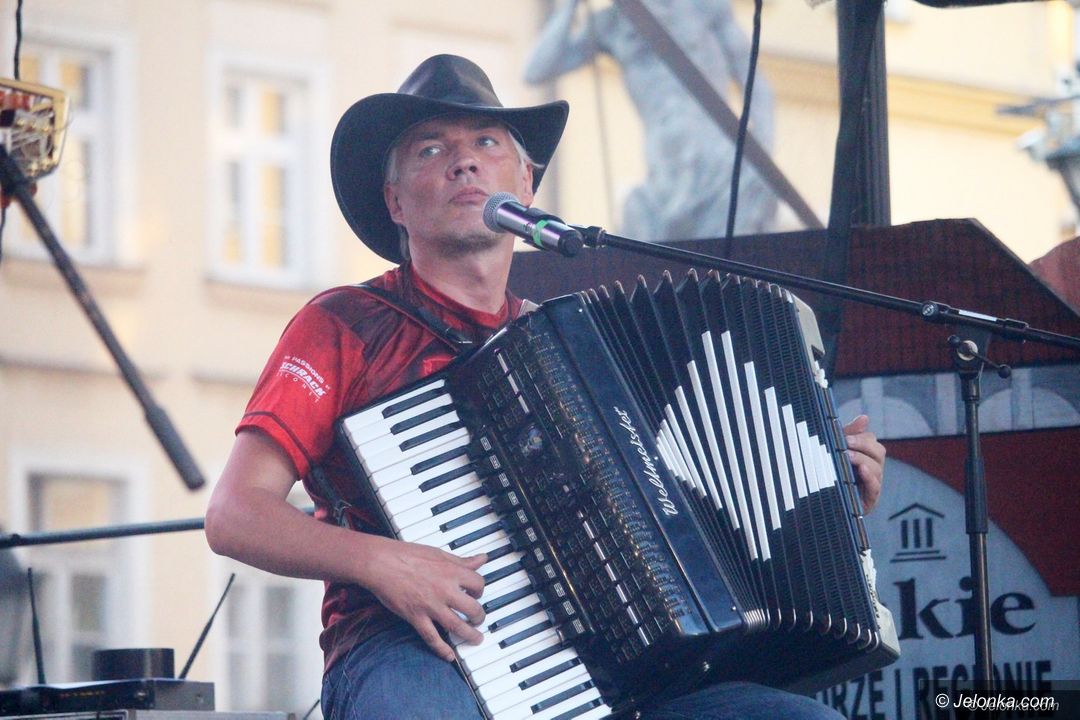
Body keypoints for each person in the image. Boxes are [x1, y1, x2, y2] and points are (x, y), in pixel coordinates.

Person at [205, 54, 885, 720]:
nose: (464, 162)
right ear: (395, 202)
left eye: (487, 142)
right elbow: (235, 514)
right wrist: (387, 564)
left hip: (601, 668)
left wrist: (821, 487)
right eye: (430, 149)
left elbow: (688, 509)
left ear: (526, 184)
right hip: (410, 647)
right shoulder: (345, 324)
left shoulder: (577, 350)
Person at [524, 0, 777, 241]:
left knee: (729, 249)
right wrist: (571, 4)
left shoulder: (704, 5)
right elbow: (537, 70)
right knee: (659, 248)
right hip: (663, 161)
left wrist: (761, 156)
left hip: (717, 153)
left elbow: (753, 79)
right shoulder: (613, 23)